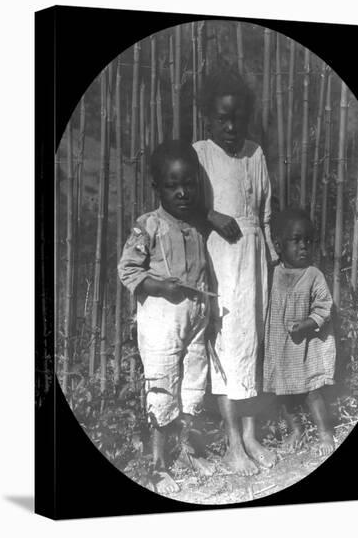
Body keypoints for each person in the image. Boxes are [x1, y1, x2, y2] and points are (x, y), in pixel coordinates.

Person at [193, 70, 277, 476]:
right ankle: (231, 444)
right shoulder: (200, 153)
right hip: (218, 261)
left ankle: (250, 434)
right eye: (221, 118)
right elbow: (182, 202)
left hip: (254, 259)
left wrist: (272, 261)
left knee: (252, 347)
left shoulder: (255, 153)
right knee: (226, 350)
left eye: (237, 119)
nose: (230, 127)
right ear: (207, 118)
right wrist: (209, 214)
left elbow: (264, 212)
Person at [118, 140, 213, 495]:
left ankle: (189, 450)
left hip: (195, 319)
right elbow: (128, 270)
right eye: (173, 186)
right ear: (157, 188)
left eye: (189, 183)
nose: (183, 192)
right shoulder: (149, 226)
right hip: (161, 320)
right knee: (162, 388)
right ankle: (158, 467)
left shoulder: (197, 224)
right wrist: (158, 286)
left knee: (192, 384)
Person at [264, 208, 336, 456]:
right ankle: (296, 429)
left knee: (312, 393)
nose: (303, 246)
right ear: (279, 245)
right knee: (282, 395)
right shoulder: (272, 274)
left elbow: (324, 306)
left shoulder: (313, 275)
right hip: (280, 350)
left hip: (306, 348)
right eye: (296, 240)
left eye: (308, 240)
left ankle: (325, 432)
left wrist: (306, 323)